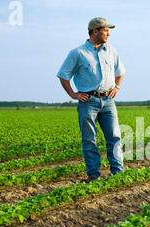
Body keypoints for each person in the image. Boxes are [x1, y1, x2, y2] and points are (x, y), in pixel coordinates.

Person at [57, 17, 126, 183]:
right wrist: (73, 94)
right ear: (95, 31)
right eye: (106, 30)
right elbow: (63, 76)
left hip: (108, 101)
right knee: (89, 140)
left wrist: (117, 87)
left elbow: (120, 71)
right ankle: (93, 176)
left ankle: (118, 174)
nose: (108, 33)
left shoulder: (111, 50)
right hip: (88, 101)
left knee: (114, 137)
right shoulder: (77, 53)